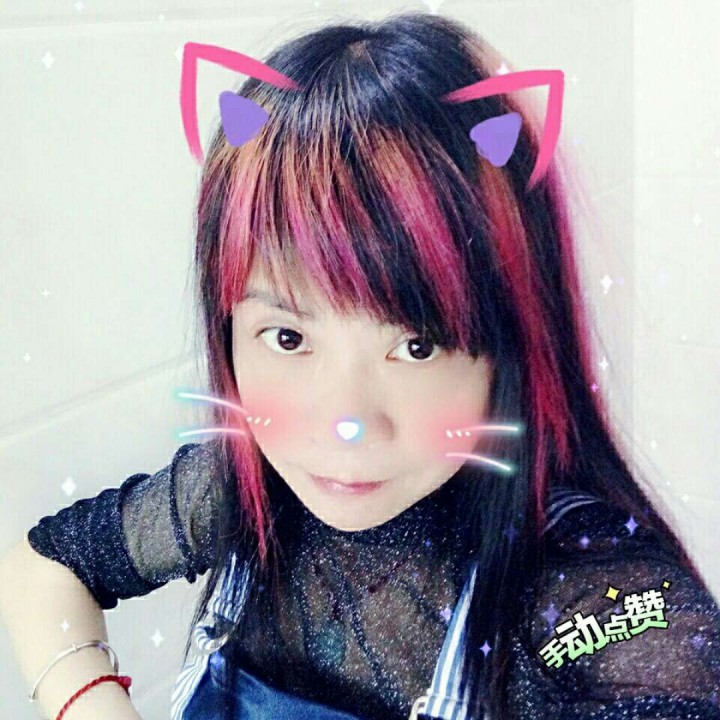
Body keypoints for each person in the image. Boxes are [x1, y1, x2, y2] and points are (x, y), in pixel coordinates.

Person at [2, 10, 720, 720]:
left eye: (417, 346)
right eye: (288, 337)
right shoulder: (241, 488)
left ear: (509, 342)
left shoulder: (587, 586)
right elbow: (42, 569)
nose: (344, 423)